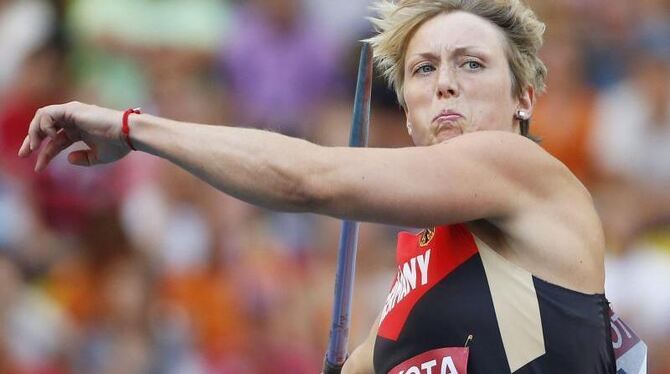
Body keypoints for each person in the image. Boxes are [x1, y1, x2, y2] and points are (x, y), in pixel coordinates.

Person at [18, 0, 616, 372]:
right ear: (405, 109)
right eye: (424, 69)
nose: (446, 84)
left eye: (473, 63)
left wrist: (136, 126)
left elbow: (308, 180)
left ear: (525, 97)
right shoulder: (416, 280)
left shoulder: (522, 169)